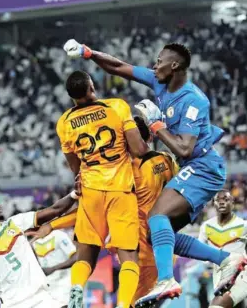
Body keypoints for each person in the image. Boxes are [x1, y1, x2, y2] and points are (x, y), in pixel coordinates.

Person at [63, 39, 247, 307]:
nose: (154, 64)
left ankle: (166, 279)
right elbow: (118, 66)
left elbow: (185, 149)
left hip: (203, 167)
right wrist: (88, 52)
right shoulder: (159, 81)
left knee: (157, 215)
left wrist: (156, 124)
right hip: (193, 168)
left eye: (159, 61)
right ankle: (224, 259)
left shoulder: (194, 100)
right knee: (159, 233)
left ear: (174, 65)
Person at [28, 116, 178, 306]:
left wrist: (52, 225)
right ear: (148, 138)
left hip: (141, 251)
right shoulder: (166, 160)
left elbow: (88, 211)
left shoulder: (123, 174)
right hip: (166, 249)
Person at [56, 70, 149, 308]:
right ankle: (123, 305)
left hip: (90, 190)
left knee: (86, 252)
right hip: (120, 190)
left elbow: (75, 167)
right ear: (92, 88)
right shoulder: (116, 107)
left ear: (71, 96)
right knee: (128, 255)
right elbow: (139, 150)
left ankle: (77, 288)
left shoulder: (64, 122)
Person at [0, 188, 81, 308]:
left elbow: (54, 210)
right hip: (14, 304)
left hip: (43, 299)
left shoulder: (15, 223)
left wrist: (75, 194)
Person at [199, 190, 247, 308]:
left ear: (232, 203)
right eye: (218, 200)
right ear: (214, 204)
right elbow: (199, 250)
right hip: (219, 279)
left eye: (225, 199)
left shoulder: (244, 225)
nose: (221, 202)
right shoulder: (206, 227)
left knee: (216, 306)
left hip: (240, 277)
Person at [32, 229, 77, 307]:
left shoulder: (58, 235)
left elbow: (75, 257)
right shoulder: (34, 243)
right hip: (49, 286)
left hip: (65, 282)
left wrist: (53, 268)